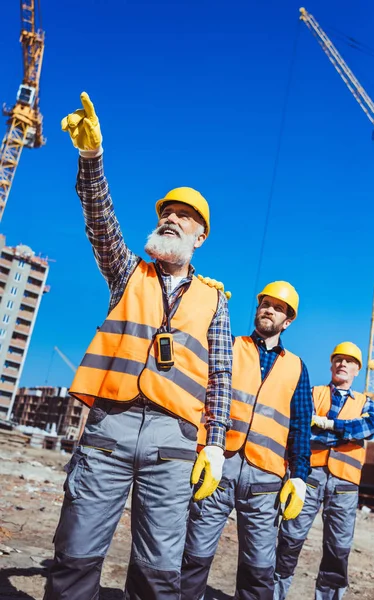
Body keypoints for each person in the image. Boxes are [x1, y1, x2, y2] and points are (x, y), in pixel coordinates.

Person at [44, 92, 233, 600]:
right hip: (110, 426)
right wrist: (91, 160)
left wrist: (214, 443)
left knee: (158, 572)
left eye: (184, 216)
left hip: (173, 441)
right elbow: (100, 220)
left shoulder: (216, 300)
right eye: (166, 212)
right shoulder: (129, 272)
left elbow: (221, 376)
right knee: (76, 555)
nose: (171, 218)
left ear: (201, 237)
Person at [181, 281, 313, 600]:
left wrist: (299, 475)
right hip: (219, 467)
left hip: (265, 480)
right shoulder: (229, 345)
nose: (269, 309)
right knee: (193, 557)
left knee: (258, 569)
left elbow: (300, 427)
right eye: (265, 304)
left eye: (278, 308)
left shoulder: (297, 368)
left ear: (288, 320)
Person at [274, 342, 374, 600]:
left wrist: (329, 425)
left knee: (338, 549)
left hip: (345, 483)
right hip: (310, 476)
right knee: (289, 539)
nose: (343, 364)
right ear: (332, 364)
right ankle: (274, 595)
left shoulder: (366, 402)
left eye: (349, 361)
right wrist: (346, 433)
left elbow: (369, 427)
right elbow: (303, 426)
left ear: (357, 370)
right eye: (338, 359)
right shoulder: (313, 393)